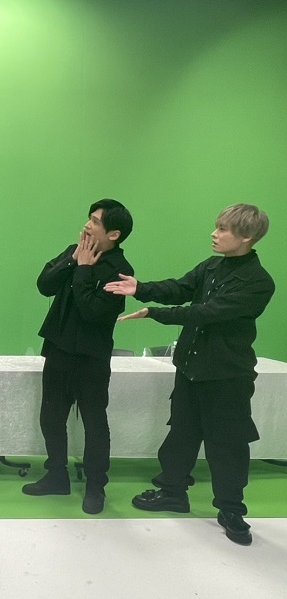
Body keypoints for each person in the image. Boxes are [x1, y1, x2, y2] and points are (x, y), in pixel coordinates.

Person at [104, 203, 274, 545]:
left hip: (226, 376)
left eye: (223, 229)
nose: (214, 233)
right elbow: (180, 287)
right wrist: (141, 288)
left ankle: (231, 510)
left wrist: (154, 312)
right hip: (191, 368)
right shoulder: (212, 266)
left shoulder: (258, 282)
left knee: (227, 445)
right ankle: (172, 492)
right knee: (181, 434)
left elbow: (207, 313)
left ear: (246, 237)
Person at [22, 199, 134, 514]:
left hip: (91, 358)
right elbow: (44, 285)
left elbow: (93, 312)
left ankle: (96, 486)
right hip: (58, 349)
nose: (87, 225)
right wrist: (72, 261)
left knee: (94, 423)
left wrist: (84, 269)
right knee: (51, 416)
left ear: (113, 234)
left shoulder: (121, 271)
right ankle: (56, 475)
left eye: (95, 221)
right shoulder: (74, 251)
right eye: (89, 218)